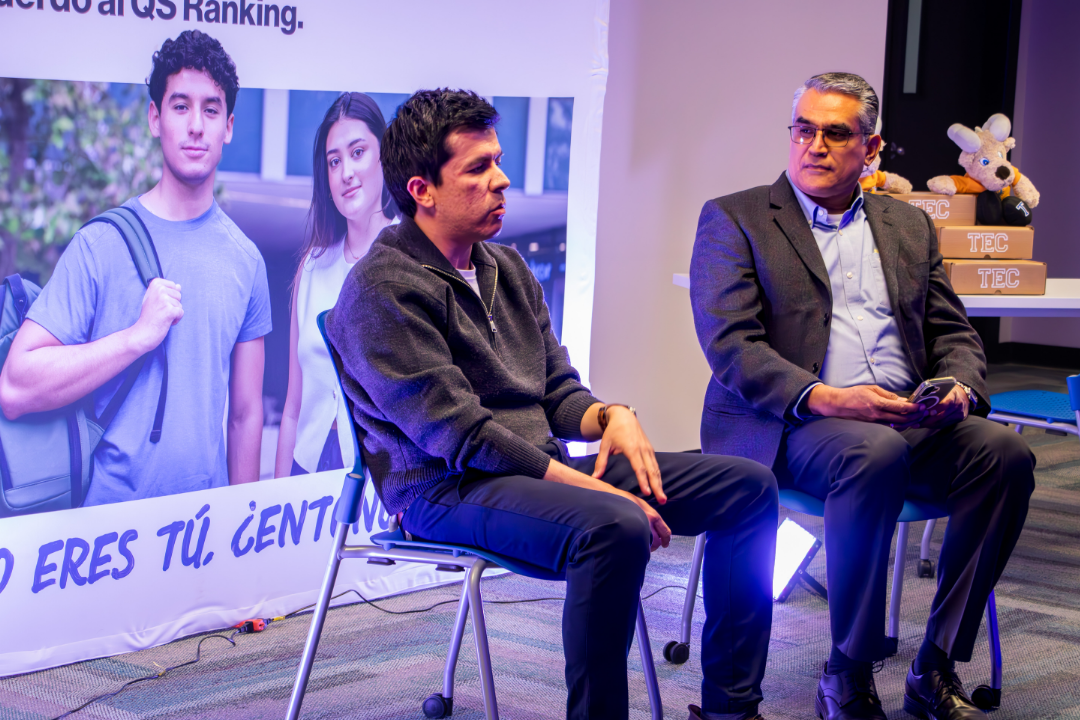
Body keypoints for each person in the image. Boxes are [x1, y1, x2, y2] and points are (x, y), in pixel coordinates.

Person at [327, 89, 778, 720]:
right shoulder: (380, 290)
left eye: (497, 160)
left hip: (534, 470)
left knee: (750, 487)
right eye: (479, 168)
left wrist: (612, 416)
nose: (502, 179)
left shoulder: (506, 267)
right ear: (422, 190)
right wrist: (598, 490)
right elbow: (462, 435)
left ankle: (732, 708)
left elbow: (556, 390)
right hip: (444, 490)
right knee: (612, 525)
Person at [690, 72, 1034, 720]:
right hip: (793, 425)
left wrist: (958, 386)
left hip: (908, 418)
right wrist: (828, 398)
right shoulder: (736, 218)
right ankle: (848, 672)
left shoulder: (908, 224)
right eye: (803, 129)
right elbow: (732, 346)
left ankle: (935, 666)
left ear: (871, 149)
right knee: (872, 453)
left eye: (834, 133)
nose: (814, 145)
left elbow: (951, 329)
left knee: (1005, 455)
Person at [0, 30, 271, 505]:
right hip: (104, 532)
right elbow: (15, 387)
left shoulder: (246, 261)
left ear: (228, 127)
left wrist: (242, 528)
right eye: (180, 106)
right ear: (154, 118)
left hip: (203, 531)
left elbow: (246, 416)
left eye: (211, 110)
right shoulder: (98, 245)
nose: (196, 126)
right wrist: (133, 338)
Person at [274, 92, 397, 478]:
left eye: (358, 152)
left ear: (384, 157)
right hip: (306, 468)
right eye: (334, 161)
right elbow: (292, 407)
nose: (346, 172)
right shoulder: (311, 267)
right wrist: (277, 496)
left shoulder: (414, 260)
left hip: (383, 477)